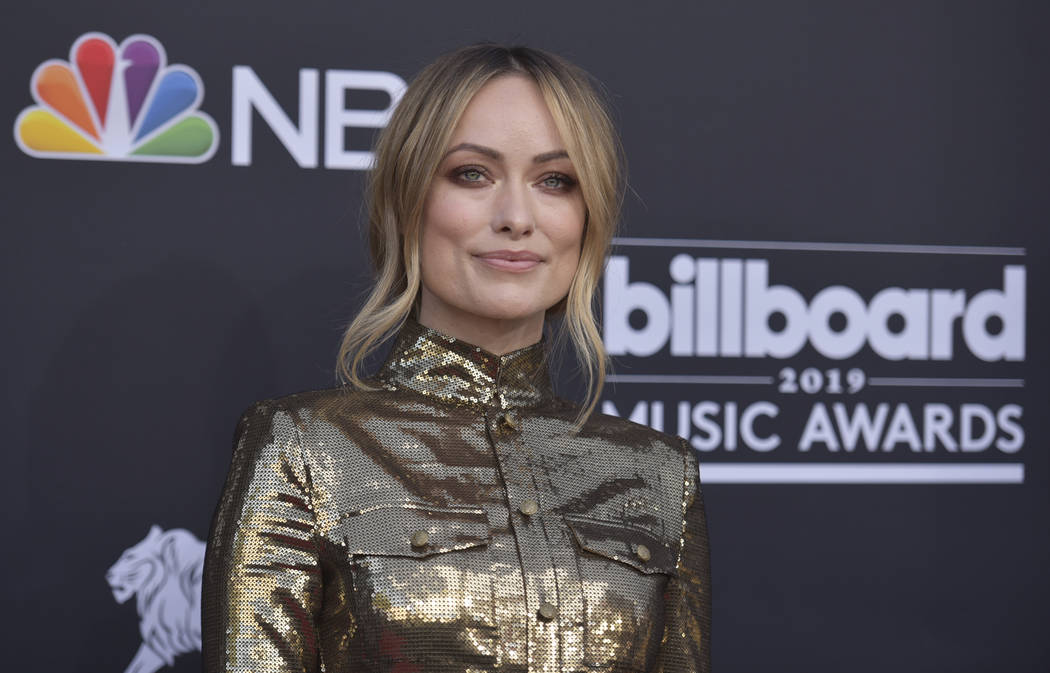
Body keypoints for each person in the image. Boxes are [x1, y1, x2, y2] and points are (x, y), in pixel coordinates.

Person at [202, 44, 711, 672]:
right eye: (472, 173)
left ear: (589, 217)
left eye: (556, 181)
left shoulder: (662, 473)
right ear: (405, 200)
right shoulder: (304, 448)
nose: (517, 218)